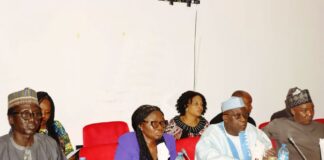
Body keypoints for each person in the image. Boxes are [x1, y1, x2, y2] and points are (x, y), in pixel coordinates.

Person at [196, 96, 275, 160]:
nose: (243, 119)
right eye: (238, 116)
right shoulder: (212, 133)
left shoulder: (252, 130)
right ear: (225, 118)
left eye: (245, 115)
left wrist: (266, 155)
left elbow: (266, 147)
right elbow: (207, 156)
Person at [0, 88, 66, 160]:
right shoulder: (2, 148)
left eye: (37, 114)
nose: (32, 119)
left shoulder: (50, 145)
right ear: (11, 118)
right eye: (25, 114)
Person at [262, 87, 324, 160]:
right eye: (304, 110)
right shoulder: (281, 125)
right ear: (293, 111)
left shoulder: (321, 126)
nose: (310, 114)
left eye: (312, 109)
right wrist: (265, 151)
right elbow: (257, 136)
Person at [37, 91, 74, 157]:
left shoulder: (57, 126)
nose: (43, 115)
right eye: (40, 111)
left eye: (47, 112)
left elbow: (69, 152)